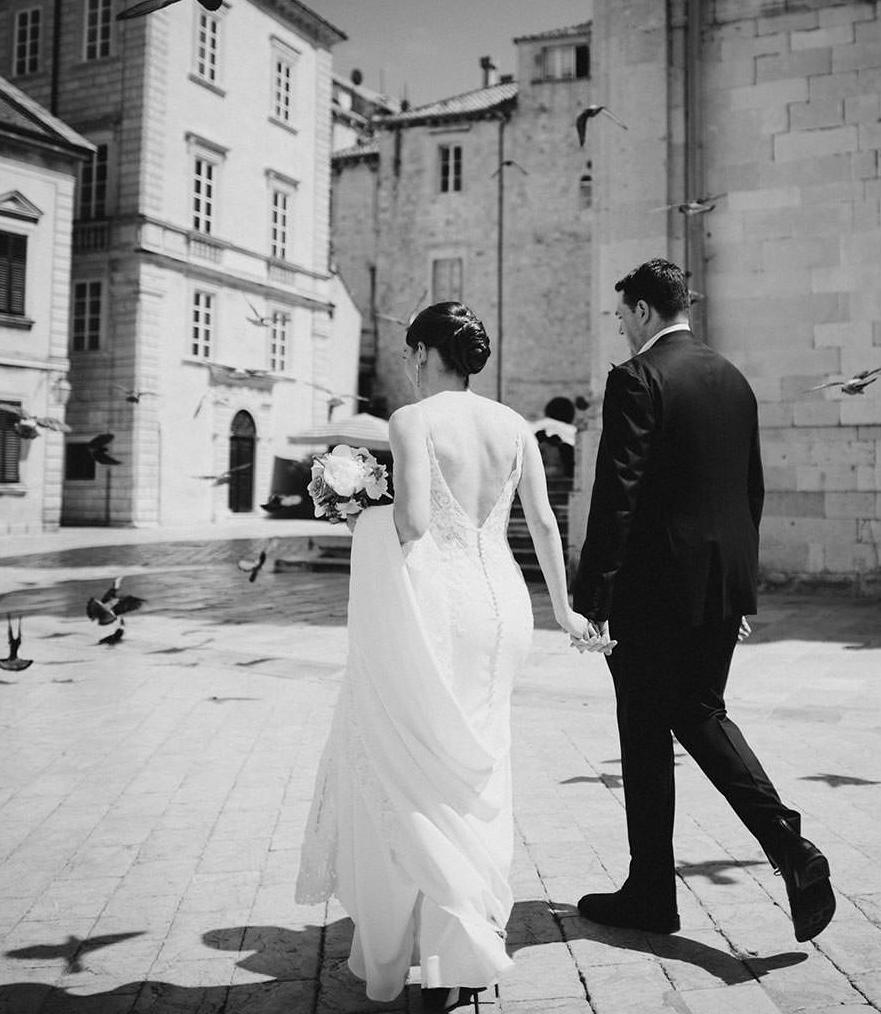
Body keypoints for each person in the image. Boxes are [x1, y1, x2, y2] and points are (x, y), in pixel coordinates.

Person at [296, 302, 592, 1013]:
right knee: (480, 767)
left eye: (409, 353)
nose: (406, 365)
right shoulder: (514, 426)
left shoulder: (414, 420)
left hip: (442, 612)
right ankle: (461, 947)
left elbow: (413, 523)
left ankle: (444, 940)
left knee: (421, 772)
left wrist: (355, 510)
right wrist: (565, 610)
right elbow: (543, 523)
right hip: (505, 611)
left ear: (427, 353)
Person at [571, 259, 835, 943]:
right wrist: (737, 589)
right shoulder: (734, 379)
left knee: (646, 729)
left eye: (622, 315)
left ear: (645, 311)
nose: (621, 328)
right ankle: (774, 850)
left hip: (651, 590)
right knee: (697, 712)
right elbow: (750, 490)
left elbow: (618, 494)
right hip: (720, 583)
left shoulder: (637, 378)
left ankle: (660, 889)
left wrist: (592, 596)